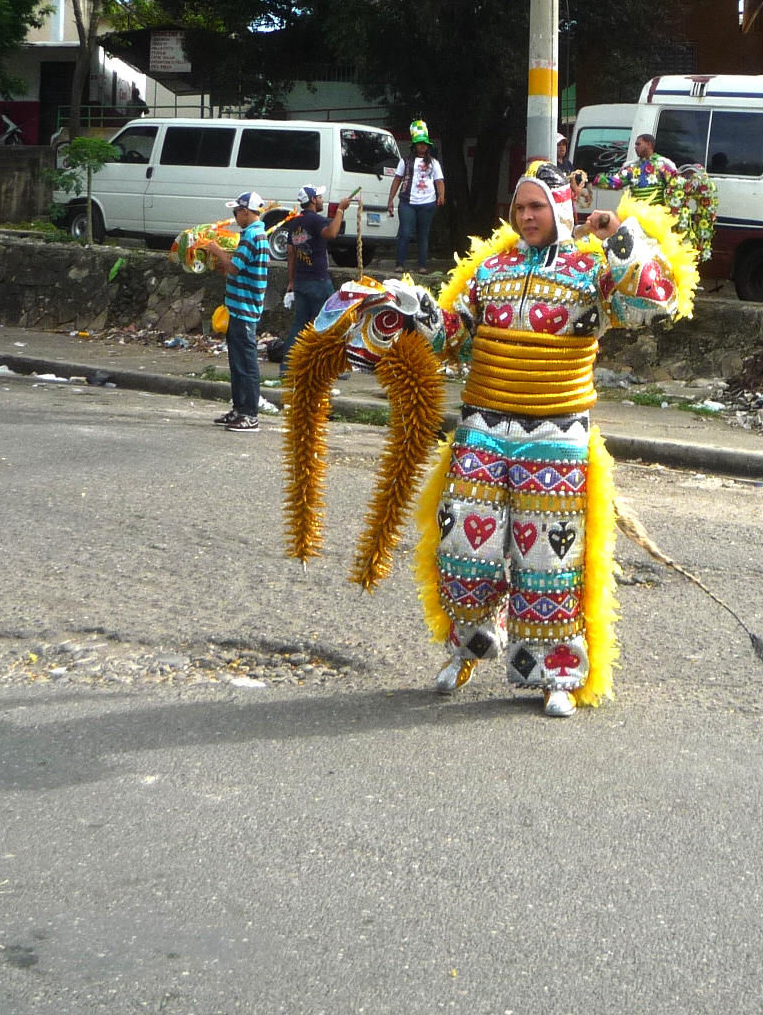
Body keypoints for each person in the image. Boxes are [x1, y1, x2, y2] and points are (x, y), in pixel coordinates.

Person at [287, 163, 696, 719]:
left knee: (548, 558)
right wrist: (411, 307)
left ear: (559, 209)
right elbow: (451, 339)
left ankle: (556, 670)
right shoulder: (490, 270)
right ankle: (470, 645)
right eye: (519, 208)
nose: (526, 217)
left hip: (556, 434)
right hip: (482, 430)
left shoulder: (593, 270)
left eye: (537, 207)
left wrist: (618, 232)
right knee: (462, 551)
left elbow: (653, 303)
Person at [202, 190, 269, 431]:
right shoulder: (253, 234)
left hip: (244, 309)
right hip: (238, 307)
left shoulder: (252, 236)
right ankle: (239, 409)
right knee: (237, 362)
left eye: (236, 212)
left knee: (246, 364)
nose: (234, 217)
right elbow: (238, 268)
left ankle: (250, 414)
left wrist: (215, 249)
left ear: (245, 211)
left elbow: (234, 267)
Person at [282, 183, 356, 374]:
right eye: (320, 197)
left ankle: (287, 367)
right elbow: (331, 233)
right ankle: (334, 368)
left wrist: (291, 281)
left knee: (301, 324)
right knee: (332, 323)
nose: (322, 200)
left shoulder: (295, 222)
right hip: (318, 281)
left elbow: (291, 253)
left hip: (301, 281)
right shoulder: (315, 220)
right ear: (313, 200)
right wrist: (340, 209)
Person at [387, 127, 445, 272]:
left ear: (428, 146)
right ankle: (399, 264)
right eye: (419, 143)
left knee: (423, 235)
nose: (422, 146)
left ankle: (422, 266)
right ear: (414, 145)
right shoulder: (405, 161)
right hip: (407, 202)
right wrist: (391, 199)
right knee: (405, 233)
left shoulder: (434, 162)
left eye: (425, 144)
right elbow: (397, 180)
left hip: (428, 202)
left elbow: (439, 181)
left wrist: (441, 195)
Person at [598, 132, 680, 205]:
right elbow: (617, 182)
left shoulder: (662, 165)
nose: (635, 147)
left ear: (649, 144)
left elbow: (676, 185)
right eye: (635, 145)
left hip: (657, 216)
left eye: (638, 144)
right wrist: (596, 180)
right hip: (636, 214)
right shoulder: (632, 167)